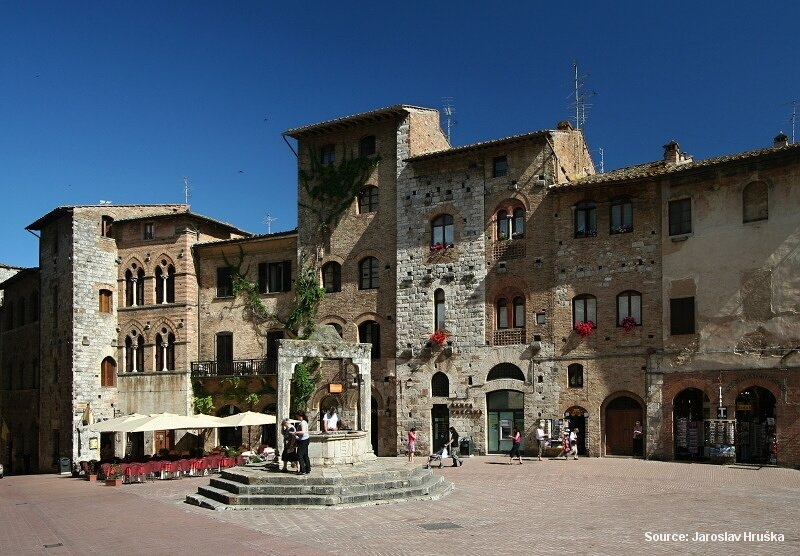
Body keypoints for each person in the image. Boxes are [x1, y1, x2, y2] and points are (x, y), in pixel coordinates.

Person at [294, 411, 311, 475]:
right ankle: (307, 469)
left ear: (300, 416)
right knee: (305, 455)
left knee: (299, 455)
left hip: (303, 440)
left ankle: (303, 470)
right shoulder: (304, 422)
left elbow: (303, 432)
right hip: (305, 439)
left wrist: (295, 433)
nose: (297, 418)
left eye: (297, 416)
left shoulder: (303, 423)